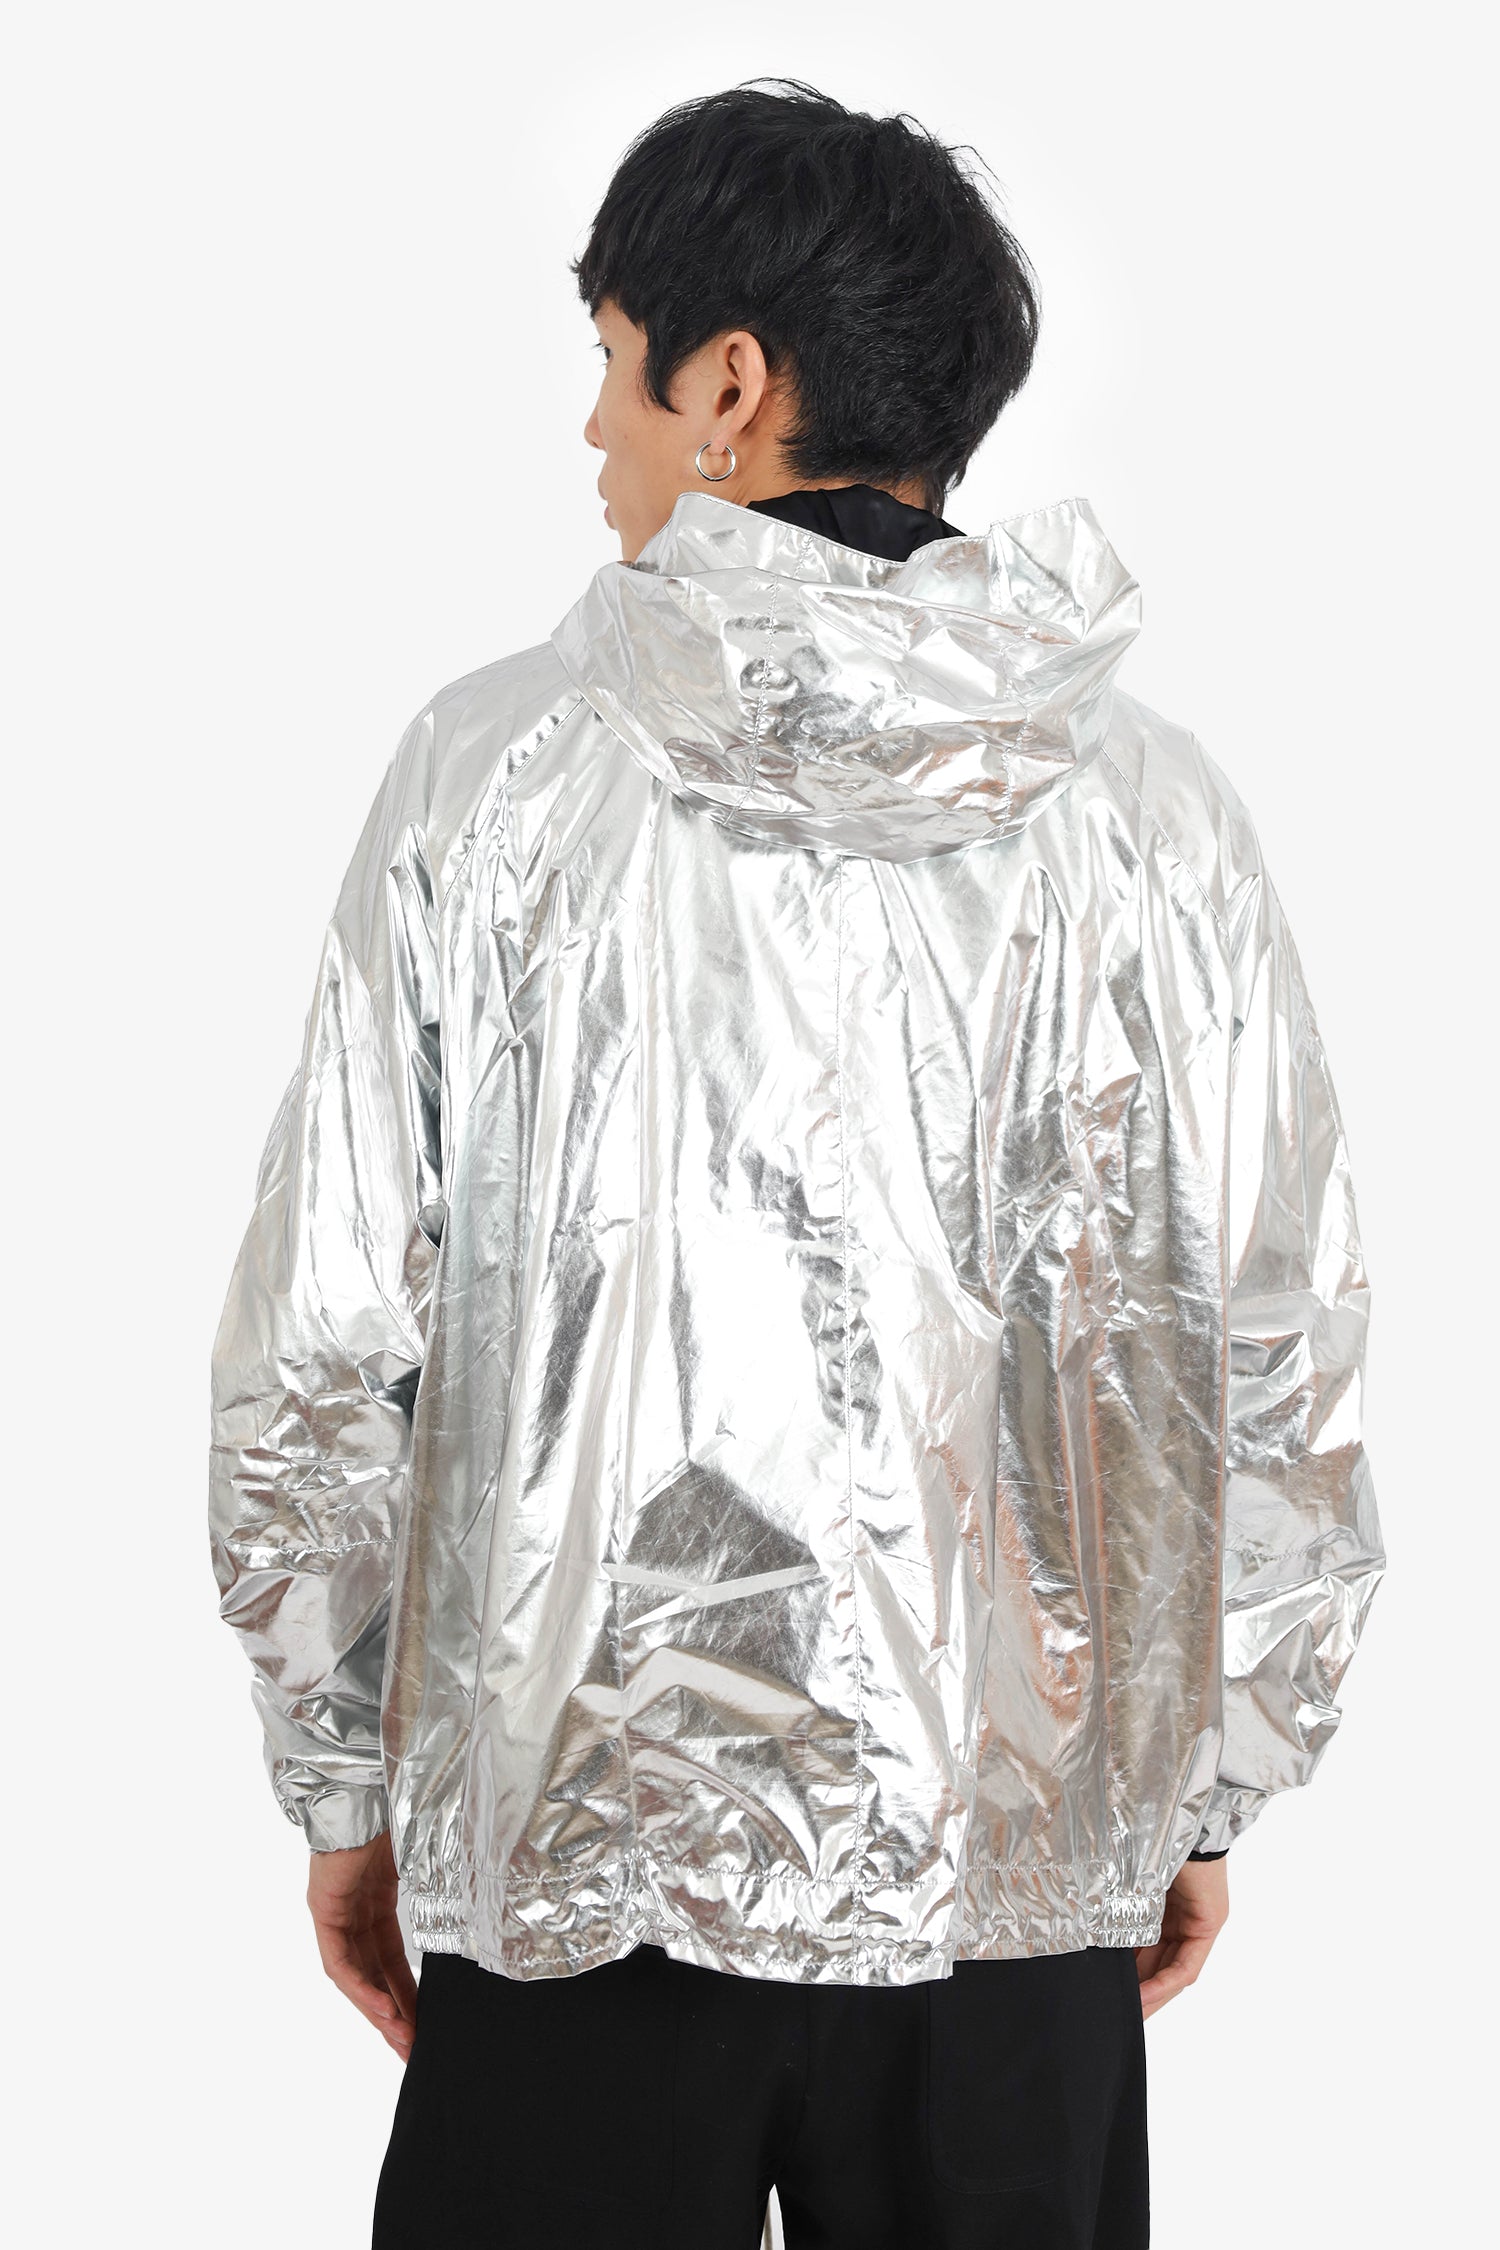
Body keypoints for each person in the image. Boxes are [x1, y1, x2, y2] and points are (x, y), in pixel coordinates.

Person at [206, 79, 1385, 2250]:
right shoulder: (1156, 820)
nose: (594, 428)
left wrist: (346, 1776)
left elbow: (326, 1339)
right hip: (1013, 1881)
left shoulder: (493, 778)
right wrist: (1208, 1774)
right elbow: (1273, 1346)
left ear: (731, 385)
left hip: (573, 1865)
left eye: (611, 359)